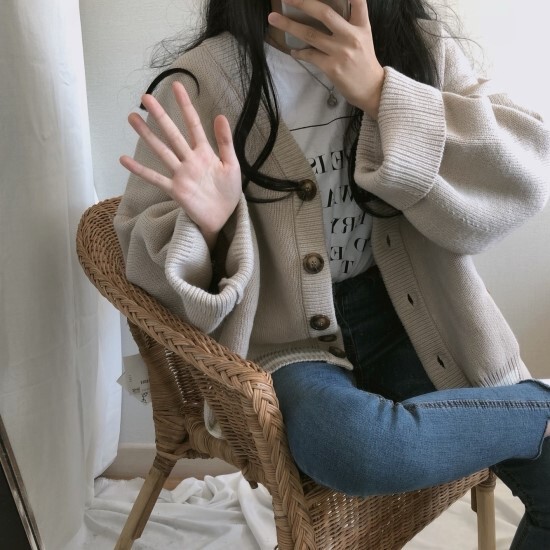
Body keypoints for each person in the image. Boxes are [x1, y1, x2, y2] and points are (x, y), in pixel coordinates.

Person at [114, 0, 550, 546]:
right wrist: (208, 226)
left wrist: (383, 93)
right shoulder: (202, 81)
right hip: (288, 346)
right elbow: (144, 264)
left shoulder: (419, 48)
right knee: (356, 449)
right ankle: (539, 407)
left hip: (412, 321)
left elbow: (524, 172)